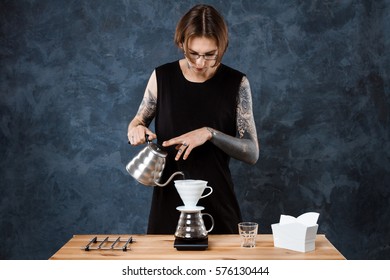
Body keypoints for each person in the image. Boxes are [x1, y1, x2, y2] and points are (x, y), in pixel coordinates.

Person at [127, 4, 259, 234]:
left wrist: (210, 133)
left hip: (217, 201)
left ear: (222, 47)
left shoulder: (237, 83)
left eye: (210, 55)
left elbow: (252, 152)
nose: (200, 63)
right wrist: (136, 129)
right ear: (181, 44)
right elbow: (137, 122)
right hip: (167, 202)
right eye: (193, 54)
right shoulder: (162, 77)